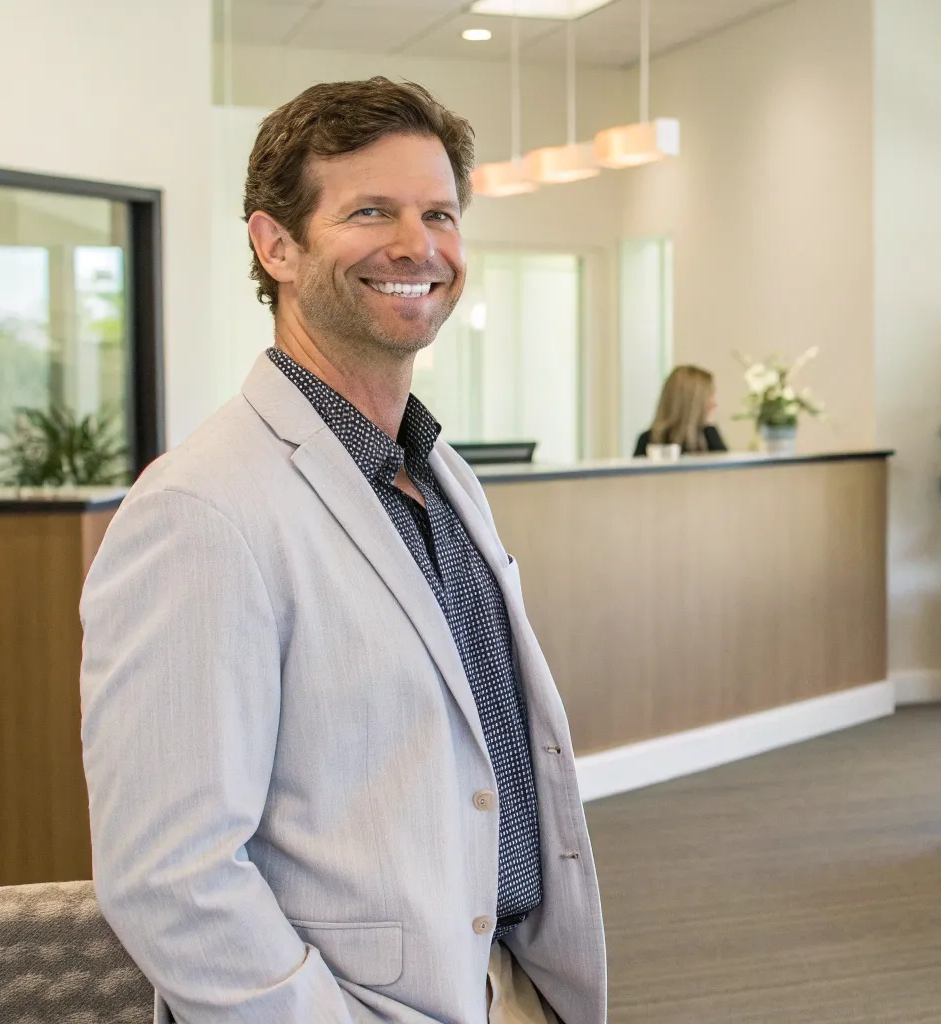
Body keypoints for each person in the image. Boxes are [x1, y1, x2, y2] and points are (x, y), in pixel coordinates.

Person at [79, 78, 605, 1024]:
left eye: (438, 213)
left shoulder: (437, 470)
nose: (419, 245)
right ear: (275, 244)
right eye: (371, 210)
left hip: (505, 982)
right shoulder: (200, 509)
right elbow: (169, 875)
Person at [631, 364, 728, 456]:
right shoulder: (648, 441)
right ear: (692, 403)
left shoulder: (709, 436)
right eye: (709, 396)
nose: (714, 404)